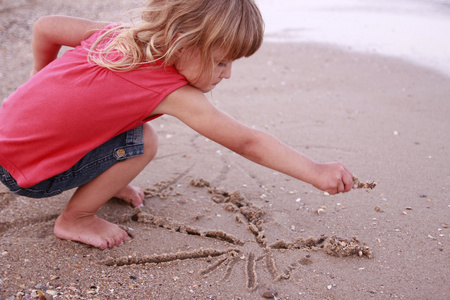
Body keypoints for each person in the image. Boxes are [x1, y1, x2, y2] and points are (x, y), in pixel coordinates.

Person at [0, 0, 354, 250]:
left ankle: (102, 178)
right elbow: (247, 142)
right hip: (28, 175)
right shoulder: (170, 90)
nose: (227, 73)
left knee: (125, 130)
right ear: (184, 42)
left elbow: (45, 27)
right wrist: (314, 170)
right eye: (221, 61)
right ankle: (76, 218)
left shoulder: (117, 36)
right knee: (145, 141)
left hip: (7, 141)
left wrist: (39, 74)